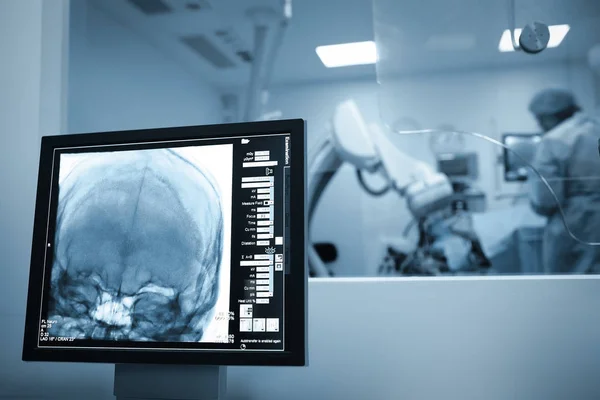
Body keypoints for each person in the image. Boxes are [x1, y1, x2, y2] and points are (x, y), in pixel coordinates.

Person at [528, 88, 600, 274]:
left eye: (540, 120)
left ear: (549, 117)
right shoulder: (595, 129)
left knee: (568, 286)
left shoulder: (554, 140)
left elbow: (546, 198)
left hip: (574, 223)